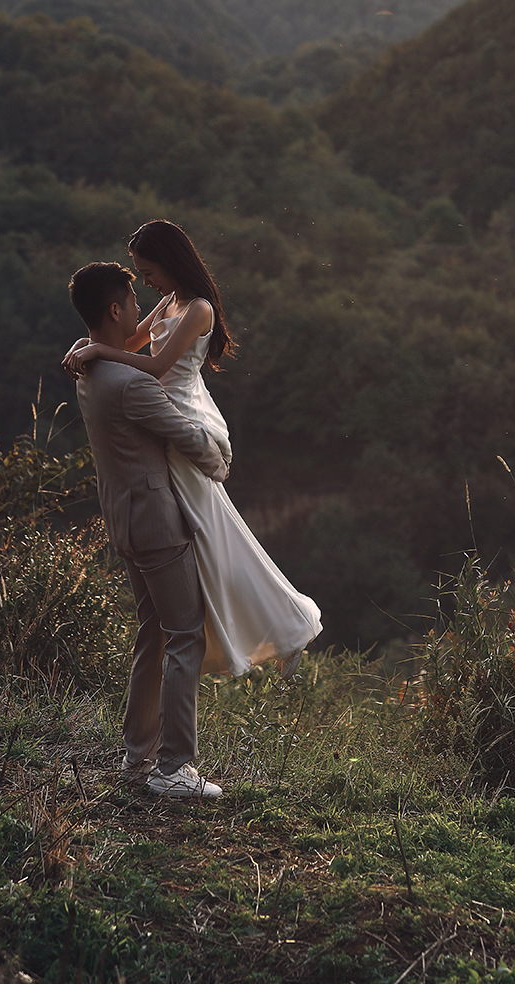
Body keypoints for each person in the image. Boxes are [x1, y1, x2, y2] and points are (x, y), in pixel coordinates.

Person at [63, 221, 321, 678]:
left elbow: (157, 365)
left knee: (215, 535)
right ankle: (267, 626)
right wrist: (88, 344)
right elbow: (130, 342)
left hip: (181, 418)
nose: (145, 283)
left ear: (170, 262)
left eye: (148, 272)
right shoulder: (169, 302)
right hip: (160, 416)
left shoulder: (198, 308)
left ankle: (287, 627)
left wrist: (96, 353)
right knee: (211, 537)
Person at [69, 260, 226, 799]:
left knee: (153, 634)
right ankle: (174, 768)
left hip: (123, 519)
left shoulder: (89, 370)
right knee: (185, 635)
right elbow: (187, 436)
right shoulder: (132, 384)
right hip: (156, 523)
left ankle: (138, 759)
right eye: (134, 303)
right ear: (116, 310)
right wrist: (219, 460)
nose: (142, 312)